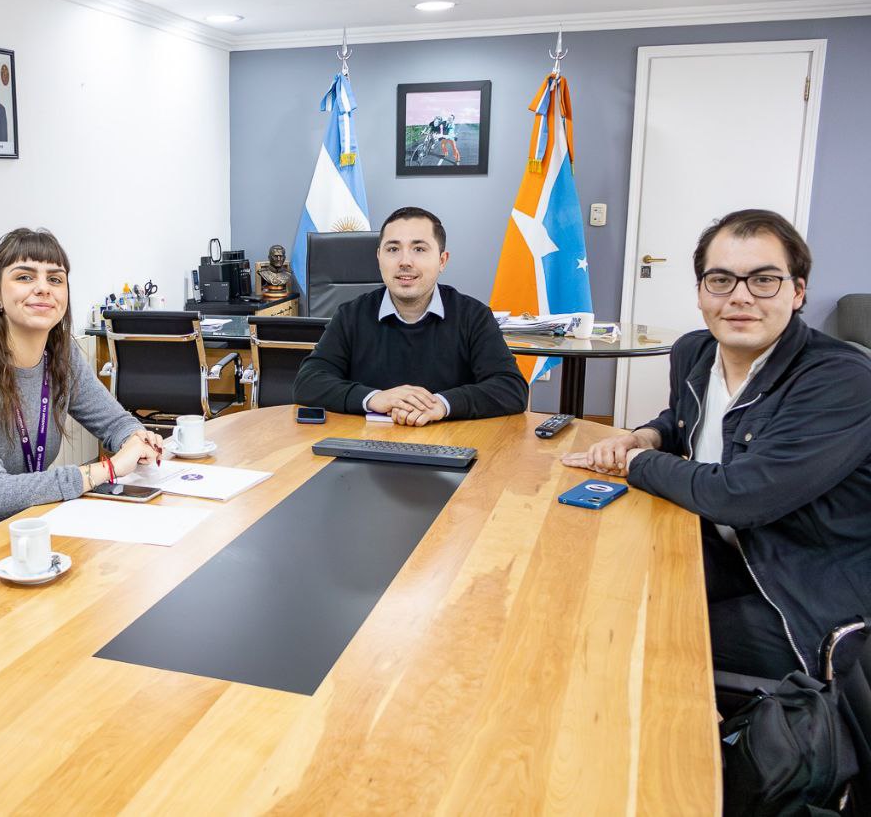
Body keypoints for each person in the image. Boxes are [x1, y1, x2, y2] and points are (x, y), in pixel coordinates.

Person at [563, 209, 871, 679]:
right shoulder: (694, 351)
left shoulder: (840, 379)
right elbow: (684, 420)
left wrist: (638, 462)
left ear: (797, 291)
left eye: (764, 280)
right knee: (591, 581)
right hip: (728, 552)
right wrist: (647, 434)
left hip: (804, 591)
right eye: (721, 280)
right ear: (701, 293)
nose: (740, 297)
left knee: (628, 635)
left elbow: (741, 496)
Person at [0, 227, 165, 542]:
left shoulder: (62, 356)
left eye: (55, 279)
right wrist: (108, 470)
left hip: (30, 517)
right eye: (25, 277)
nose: (43, 288)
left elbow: (114, 422)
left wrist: (135, 438)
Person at [294, 206, 528, 424]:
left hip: (452, 448)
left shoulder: (473, 316)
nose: (405, 262)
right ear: (379, 258)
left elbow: (511, 388)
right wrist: (375, 398)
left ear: (442, 260)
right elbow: (308, 383)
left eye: (419, 249)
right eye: (393, 249)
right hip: (367, 448)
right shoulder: (351, 315)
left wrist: (442, 405)